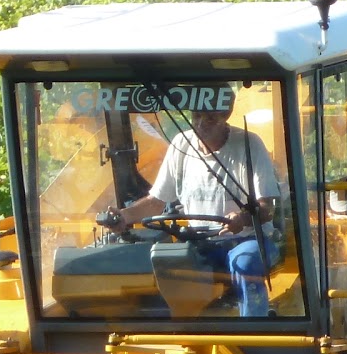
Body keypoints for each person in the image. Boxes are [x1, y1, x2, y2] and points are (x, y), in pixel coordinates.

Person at [98, 88, 282, 317]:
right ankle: (179, 333)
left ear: (226, 115)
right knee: (159, 262)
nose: (201, 123)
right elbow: (156, 201)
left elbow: (267, 208)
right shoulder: (181, 145)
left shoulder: (249, 144)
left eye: (210, 118)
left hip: (248, 239)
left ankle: (256, 333)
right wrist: (124, 216)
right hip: (201, 243)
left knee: (244, 263)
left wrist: (243, 218)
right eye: (196, 116)